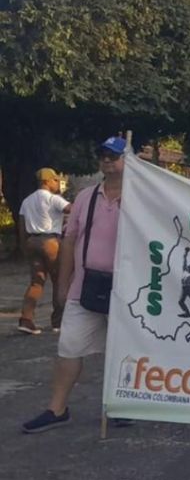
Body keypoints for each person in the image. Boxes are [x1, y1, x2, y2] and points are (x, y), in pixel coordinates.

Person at [22, 137, 126, 433]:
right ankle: (57, 408)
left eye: (114, 156)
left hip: (126, 289)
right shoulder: (86, 197)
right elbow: (69, 241)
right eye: (103, 155)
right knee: (69, 347)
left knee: (121, 350)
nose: (107, 160)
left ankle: (120, 405)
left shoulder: (140, 198)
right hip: (86, 286)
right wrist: (64, 284)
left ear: (127, 161)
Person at [17, 167, 71, 335]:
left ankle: (26, 319)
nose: (57, 183)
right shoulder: (53, 199)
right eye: (55, 180)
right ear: (47, 181)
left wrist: (24, 245)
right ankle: (59, 322)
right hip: (50, 241)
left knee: (36, 282)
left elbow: (21, 225)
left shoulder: (27, 201)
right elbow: (73, 210)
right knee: (59, 280)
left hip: (31, 241)